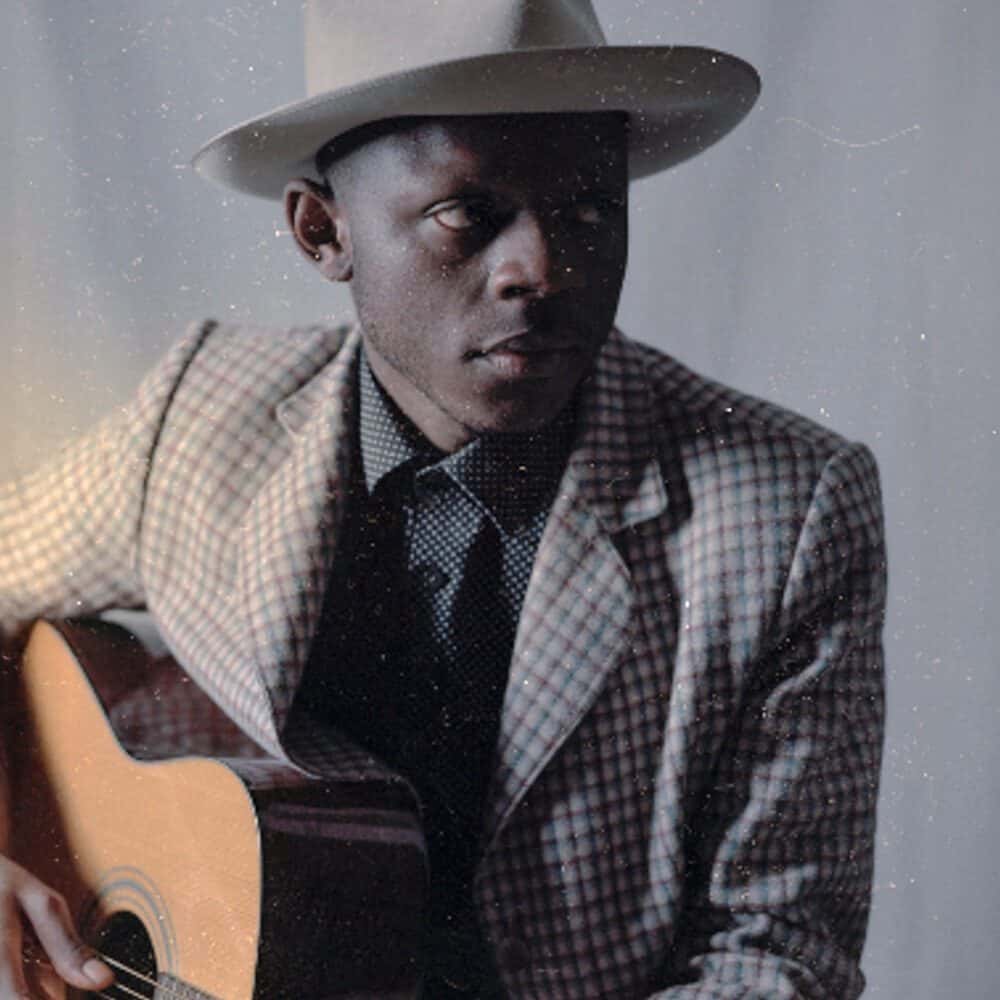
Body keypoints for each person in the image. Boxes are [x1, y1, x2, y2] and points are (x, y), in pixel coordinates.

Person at [0, 1, 887, 997]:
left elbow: (778, 955)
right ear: (321, 229)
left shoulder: (785, 509)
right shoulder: (200, 418)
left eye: (590, 210)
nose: (541, 270)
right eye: (468, 212)